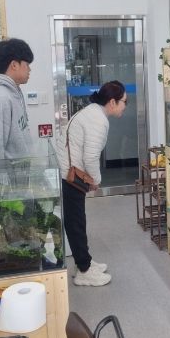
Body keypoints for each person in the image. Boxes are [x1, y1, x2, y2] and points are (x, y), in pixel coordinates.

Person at [56, 81, 127, 286]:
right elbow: (90, 156)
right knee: (76, 222)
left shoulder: (92, 112)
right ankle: (84, 270)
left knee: (76, 221)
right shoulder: (98, 119)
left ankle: (84, 262)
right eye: (124, 101)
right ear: (112, 102)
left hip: (67, 171)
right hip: (71, 176)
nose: (125, 106)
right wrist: (96, 181)